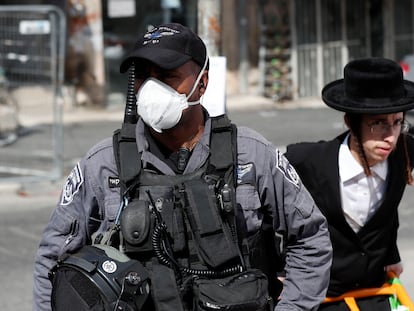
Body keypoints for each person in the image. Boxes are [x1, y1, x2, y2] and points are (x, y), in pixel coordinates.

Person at [33, 22, 332, 311]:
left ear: (202, 83)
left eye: (166, 75)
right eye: (143, 76)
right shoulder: (102, 164)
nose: (150, 88)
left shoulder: (253, 155)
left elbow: (310, 238)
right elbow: (53, 259)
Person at [285, 57, 414, 311]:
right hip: (323, 296)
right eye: (378, 123)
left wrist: (391, 255)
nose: (390, 136)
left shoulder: (404, 151)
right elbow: (269, 213)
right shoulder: (308, 161)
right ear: (350, 123)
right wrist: (277, 269)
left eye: (397, 122)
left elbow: (387, 214)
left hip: (375, 290)